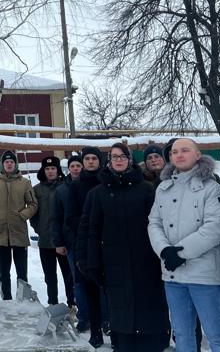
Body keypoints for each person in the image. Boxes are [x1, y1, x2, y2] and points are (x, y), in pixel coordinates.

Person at [84, 142, 170, 351]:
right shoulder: (97, 194)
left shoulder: (146, 190)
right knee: (121, 314)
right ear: (109, 161)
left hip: (146, 262)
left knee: (149, 309)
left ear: (129, 160)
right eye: (115, 157)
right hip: (113, 265)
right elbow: (90, 230)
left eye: (123, 156)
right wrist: (90, 262)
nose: (119, 160)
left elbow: (159, 224)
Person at [147, 138, 220, 352]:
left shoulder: (211, 187)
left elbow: (216, 228)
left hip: (204, 276)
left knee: (216, 334)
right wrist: (165, 251)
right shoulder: (163, 189)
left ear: (197, 155)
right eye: (175, 152)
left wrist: (181, 253)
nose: (179, 155)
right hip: (172, 276)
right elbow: (154, 222)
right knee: (182, 334)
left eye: (185, 150)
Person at [0, 150, 37, 300]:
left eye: (12, 161)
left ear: (15, 164)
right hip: (1, 234)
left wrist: (23, 215)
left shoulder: (25, 183)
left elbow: (33, 204)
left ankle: (23, 299)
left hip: (19, 231)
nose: (9, 164)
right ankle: (6, 298)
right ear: (2, 164)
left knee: (22, 271)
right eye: (6, 162)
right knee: (4, 272)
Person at [71, 147, 108, 345]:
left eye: (94, 158)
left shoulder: (107, 181)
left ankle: (108, 320)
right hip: (85, 242)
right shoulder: (75, 186)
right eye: (88, 158)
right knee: (89, 287)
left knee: (109, 288)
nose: (91, 161)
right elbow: (71, 216)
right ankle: (94, 328)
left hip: (108, 242)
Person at [30, 156, 75, 308]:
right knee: (50, 276)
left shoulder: (65, 187)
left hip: (63, 241)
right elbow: (34, 214)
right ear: (43, 170)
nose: (50, 171)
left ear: (58, 170)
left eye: (53, 168)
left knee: (68, 275)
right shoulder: (37, 190)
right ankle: (53, 303)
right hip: (45, 241)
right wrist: (39, 229)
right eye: (47, 169)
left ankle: (72, 303)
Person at [52, 154, 86, 327]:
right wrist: (58, 242)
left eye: (78, 165)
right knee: (76, 279)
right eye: (72, 166)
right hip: (70, 241)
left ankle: (103, 317)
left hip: (91, 240)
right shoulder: (61, 190)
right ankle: (82, 314)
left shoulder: (92, 185)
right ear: (68, 168)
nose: (75, 169)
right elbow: (56, 218)